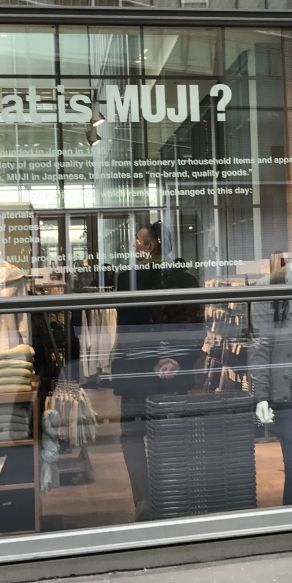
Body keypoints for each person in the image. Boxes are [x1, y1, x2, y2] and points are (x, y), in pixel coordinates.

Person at [112, 222, 202, 521]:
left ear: (150, 247)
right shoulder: (186, 280)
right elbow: (195, 328)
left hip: (137, 373)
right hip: (172, 375)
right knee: (170, 437)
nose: (134, 246)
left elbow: (129, 332)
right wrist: (177, 360)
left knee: (132, 436)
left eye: (138, 242)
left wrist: (151, 362)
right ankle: (169, 500)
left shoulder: (127, 280)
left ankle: (144, 502)